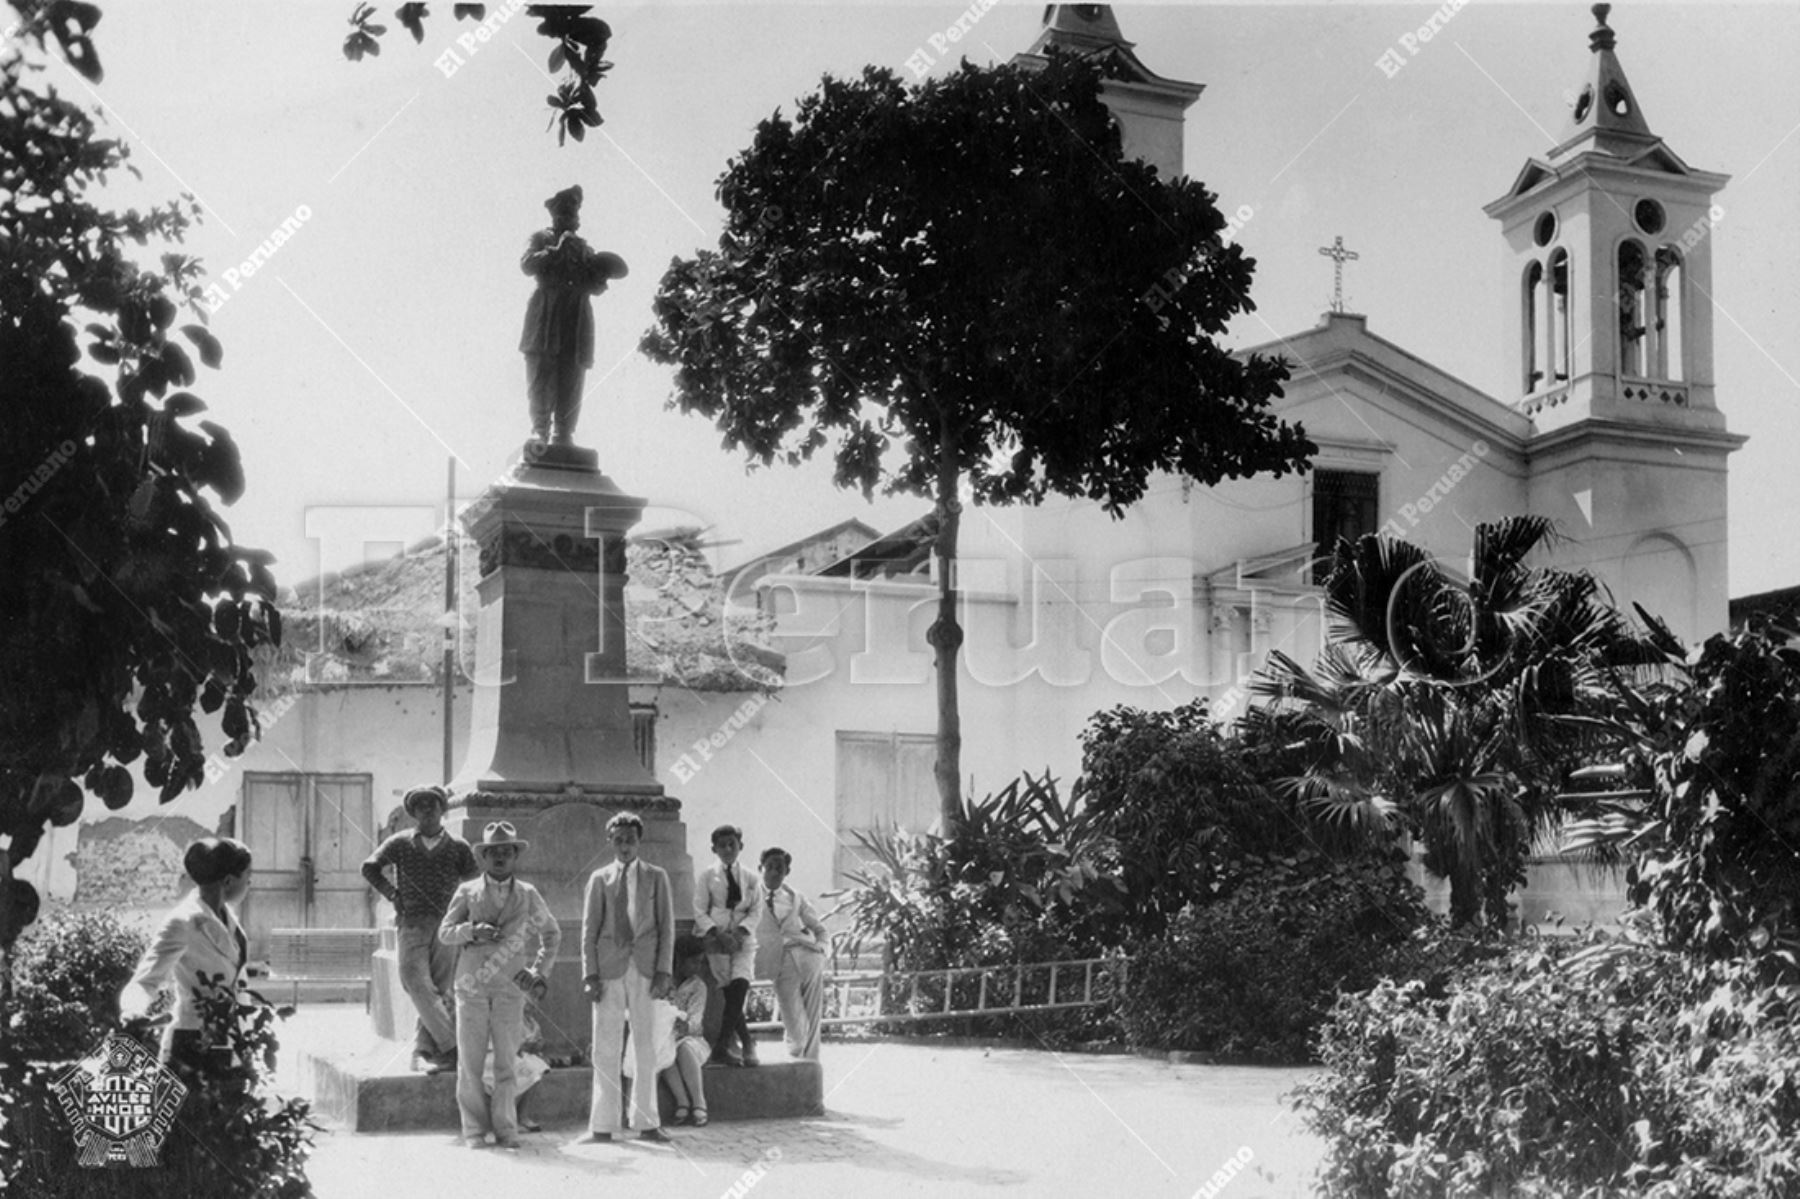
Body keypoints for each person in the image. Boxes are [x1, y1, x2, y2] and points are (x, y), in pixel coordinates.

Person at [439, 821, 560, 1150]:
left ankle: (507, 1130)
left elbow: (551, 935)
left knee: (507, 1061)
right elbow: (444, 932)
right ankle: (474, 1131)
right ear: (483, 857)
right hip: (472, 985)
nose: (500, 858)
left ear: (515, 856)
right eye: (493, 852)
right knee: (471, 1062)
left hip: (510, 988)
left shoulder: (528, 894)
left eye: (507, 852)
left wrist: (538, 972)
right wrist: (471, 930)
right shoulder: (467, 892)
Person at [361, 784, 478, 1073]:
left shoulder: (458, 847)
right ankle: (452, 1046)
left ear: (442, 809)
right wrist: (392, 894)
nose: (427, 809)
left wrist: (464, 911)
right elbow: (370, 867)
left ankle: (423, 1051)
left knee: (440, 989)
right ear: (412, 812)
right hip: (412, 923)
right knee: (413, 980)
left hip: (446, 925)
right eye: (420, 805)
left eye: (433, 804)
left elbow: (475, 882)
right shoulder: (400, 843)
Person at [119, 837, 255, 1082]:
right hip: (190, 1043)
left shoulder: (227, 919)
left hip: (229, 1040)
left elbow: (237, 985)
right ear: (228, 881)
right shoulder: (182, 921)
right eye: (248, 875)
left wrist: (246, 1049)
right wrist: (133, 1010)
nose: (250, 883)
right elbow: (145, 980)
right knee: (190, 1116)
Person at [581, 810, 675, 1143]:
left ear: (639, 841)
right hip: (608, 969)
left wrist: (664, 970)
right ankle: (603, 1125)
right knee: (605, 1046)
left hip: (646, 969)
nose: (624, 846)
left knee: (645, 1045)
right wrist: (590, 974)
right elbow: (589, 930)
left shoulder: (656, 877)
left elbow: (667, 927)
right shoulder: (599, 879)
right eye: (618, 840)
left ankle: (647, 1122)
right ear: (610, 842)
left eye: (630, 840)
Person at [518, 184, 628, 448]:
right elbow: (526, 264)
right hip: (546, 312)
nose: (570, 218)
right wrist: (557, 250)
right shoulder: (541, 239)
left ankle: (564, 433)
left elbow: (596, 286)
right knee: (542, 372)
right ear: (556, 216)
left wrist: (600, 273)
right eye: (565, 213)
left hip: (576, 315)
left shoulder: (584, 248)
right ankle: (540, 430)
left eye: (573, 213)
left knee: (572, 373)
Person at [695, 823, 762, 1067]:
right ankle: (746, 1040)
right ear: (714, 849)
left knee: (741, 983)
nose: (727, 849)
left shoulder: (752, 878)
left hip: (742, 940)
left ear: (740, 846)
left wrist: (741, 933)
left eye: (731, 844)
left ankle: (722, 1045)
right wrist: (717, 933)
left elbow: (756, 910)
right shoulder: (706, 876)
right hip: (717, 938)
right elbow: (699, 909)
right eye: (722, 845)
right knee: (728, 988)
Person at [755, 846, 829, 1061]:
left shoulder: (795, 897)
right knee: (795, 1024)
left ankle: (810, 1067)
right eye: (769, 867)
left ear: (787, 871)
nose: (774, 872)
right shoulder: (751, 897)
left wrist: (823, 950)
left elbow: (820, 929)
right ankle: (796, 1058)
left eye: (780, 868)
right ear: (761, 868)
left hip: (808, 956)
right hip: (779, 962)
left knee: (813, 1016)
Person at [629, 933, 711, 1126]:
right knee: (664, 1050)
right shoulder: (664, 983)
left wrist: (685, 1026)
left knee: (682, 1048)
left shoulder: (698, 986)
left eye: (700, 963)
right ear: (679, 960)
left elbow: (696, 1022)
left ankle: (699, 1102)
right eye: (693, 962)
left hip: (692, 1039)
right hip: (667, 1037)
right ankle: (682, 1101)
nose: (697, 967)